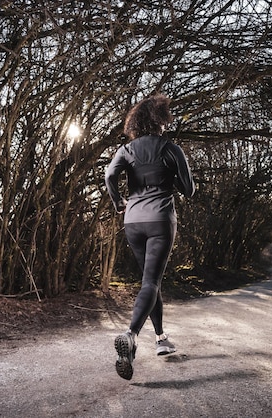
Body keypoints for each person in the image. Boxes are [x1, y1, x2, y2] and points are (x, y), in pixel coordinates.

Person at [105, 94, 195, 380]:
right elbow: (189, 190)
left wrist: (118, 201)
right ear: (160, 121)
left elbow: (109, 176)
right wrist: (175, 178)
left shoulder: (127, 149)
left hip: (133, 221)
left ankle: (160, 338)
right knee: (151, 281)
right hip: (160, 221)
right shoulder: (170, 148)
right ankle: (130, 335)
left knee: (149, 281)